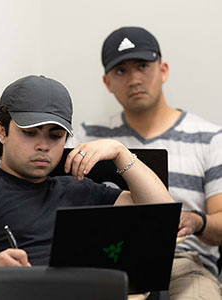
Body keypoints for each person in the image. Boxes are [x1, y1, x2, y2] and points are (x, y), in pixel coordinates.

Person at [0, 74, 173, 270]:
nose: (43, 145)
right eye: (30, 133)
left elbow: (162, 216)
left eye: (55, 136)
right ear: (2, 132)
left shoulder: (78, 188)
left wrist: (121, 153)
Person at [66, 27, 222, 299]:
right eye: (121, 71)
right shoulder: (88, 136)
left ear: (163, 70)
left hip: (182, 263)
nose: (134, 79)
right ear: (107, 82)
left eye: (142, 66)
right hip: (105, 262)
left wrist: (196, 221)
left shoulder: (209, 138)